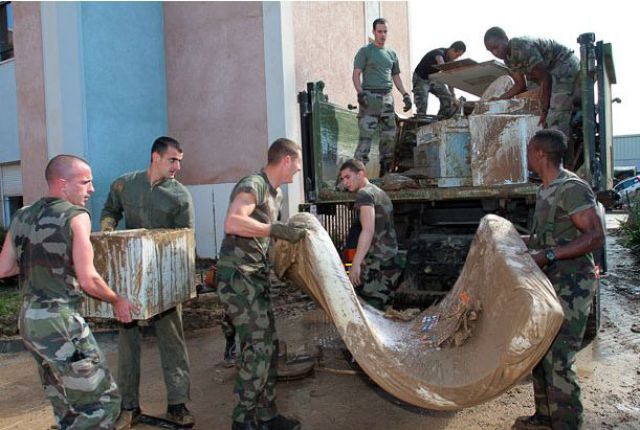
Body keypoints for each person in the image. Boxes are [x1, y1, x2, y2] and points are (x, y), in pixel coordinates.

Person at [0, 155, 136, 429]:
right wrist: (116, 299)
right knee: (100, 403)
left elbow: (4, 268)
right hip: (60, 320)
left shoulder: (22, 214)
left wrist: (40, 264)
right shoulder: (76, 217)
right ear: (63, 184)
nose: (92, 189)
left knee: (63, 399)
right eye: (85, 182)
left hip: (29, 322)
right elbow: (88, 279)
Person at [100, 136, 195, 428]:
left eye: (179, 160)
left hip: (164, 280)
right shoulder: (124, 184)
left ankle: (178, 404)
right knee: (128, 343)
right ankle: (129, 406)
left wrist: (182, 282)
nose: (177, 166)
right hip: (131, 278)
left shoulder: (179, 195)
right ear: (155, 157)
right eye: (172, 160)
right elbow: (110, 211)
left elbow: (186, 239)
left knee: (172, 341)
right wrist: (107, 231)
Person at [216, 138, 307, 430]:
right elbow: (232, 222)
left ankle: (266, 415)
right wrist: (273, 229)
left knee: (267, 347)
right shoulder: (253, 184)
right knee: (255, 349)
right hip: (238, 277)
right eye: (297, 164)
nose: (298, 171)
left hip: (255, 275)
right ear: (285, 160)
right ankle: (242, 421)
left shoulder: (275, 194)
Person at [520, 129, 604, 430]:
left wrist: (549, 255)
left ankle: (567, 424)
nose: (527, 157)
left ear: (540, 154)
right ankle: (545, 418)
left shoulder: (571, 188)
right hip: (548, 283)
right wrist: (521, 241)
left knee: (559, 357)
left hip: (572, 283)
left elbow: (595, 236)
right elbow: (548, 237)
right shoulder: (546, 189)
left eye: (529, 151)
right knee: (541, 351)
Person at [484, 26, 580, 166]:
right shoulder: (509, 59)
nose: (495, 52)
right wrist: (500, 99)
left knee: (555, 117)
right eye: (491, 50)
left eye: (496, 47)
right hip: (545, 73)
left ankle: (563, 165)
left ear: (505, 39)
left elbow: (546, 78)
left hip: (562, 65)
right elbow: (520, 85)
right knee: (531, 110)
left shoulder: (521, 47)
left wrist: (545, 109)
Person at [353, 17, 412, 176]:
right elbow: (356, 75)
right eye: (379, 32)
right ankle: (355, 177)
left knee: (389, 139)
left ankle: (385, 174)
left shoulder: (391, 54)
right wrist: (360, 93)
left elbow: (396, 77)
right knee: (365, 140)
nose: (383, 35)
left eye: (385, 31)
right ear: (373, 32)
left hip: (387, 98)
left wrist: (405, 94)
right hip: (370, 98)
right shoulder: (365, 51)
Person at [339, 159, 400, 310]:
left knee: (369, 312)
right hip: (389, 259)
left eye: (348, 177)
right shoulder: (378, 192)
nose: (345, 182)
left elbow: (368, 230)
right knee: (385, 312)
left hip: (377, 264)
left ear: (360, 174)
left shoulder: (364, 194)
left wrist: (356, 264)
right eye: (342, 178)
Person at [412, 41, 466, 118]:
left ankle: (441, 118)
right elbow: (441, 64)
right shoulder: (439, 53)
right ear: (452, 49)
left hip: (432, 78)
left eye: (459, 56)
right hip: (421, 79)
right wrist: (448, 67)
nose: (456, 58)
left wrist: (453, 96)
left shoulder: (450, 60)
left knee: (448, 98)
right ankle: (421, 120)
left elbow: (450, 79)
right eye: (457, 55)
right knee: (422, 105)